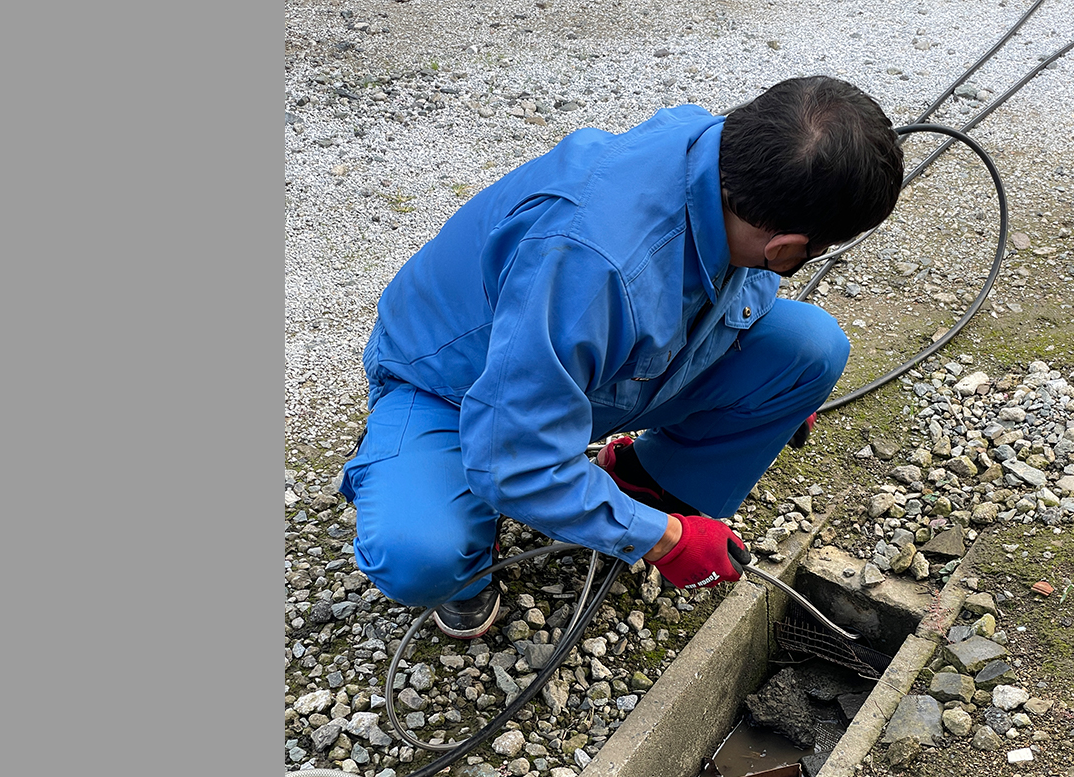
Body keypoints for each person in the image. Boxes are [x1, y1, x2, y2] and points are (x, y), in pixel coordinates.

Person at [339, 76, 903, 639]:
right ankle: (447, 514)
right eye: (810, 253)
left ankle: (642, 479)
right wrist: (666, 540)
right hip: (452, 386)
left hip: (599, 369)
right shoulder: (595, 264)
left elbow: (745, 294)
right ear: (781, 249)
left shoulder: (726, 164)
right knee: (419, 555)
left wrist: (775, 395)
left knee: (808, 352)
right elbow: (513, 458)